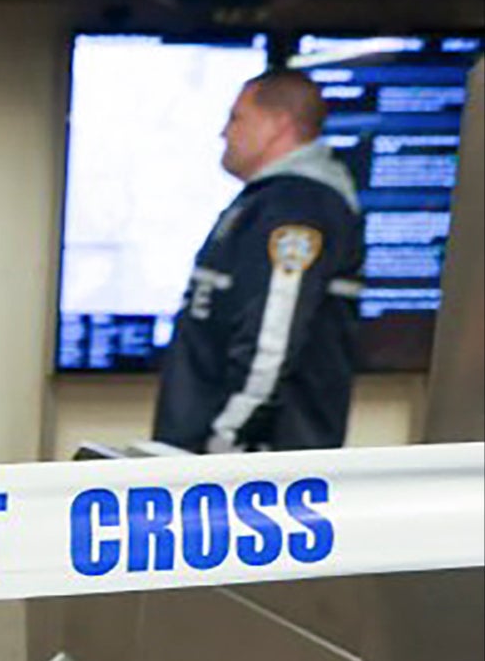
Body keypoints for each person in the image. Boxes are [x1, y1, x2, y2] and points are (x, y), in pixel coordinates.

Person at [153, 69, 365, 452]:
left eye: (236, 118)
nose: (224, 133)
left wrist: (226, 441)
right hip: (222, 455)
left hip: (255, 464)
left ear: (276, 125)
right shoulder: (267, 201)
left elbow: (273, 334)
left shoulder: (298, 205)